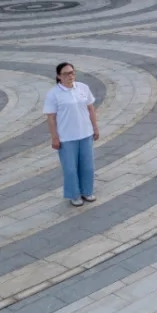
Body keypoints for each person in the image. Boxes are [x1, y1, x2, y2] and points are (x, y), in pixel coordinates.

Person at [44, 62, 99, 206]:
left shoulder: (83, 88)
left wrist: (95, 127)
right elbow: (51, 117)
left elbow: (91, 109)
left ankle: (87, 191)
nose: (70, 76)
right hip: (67, 137)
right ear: (59, 76)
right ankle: (74, 194)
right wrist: (55, 137)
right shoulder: (53, 94)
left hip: (85, 133)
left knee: (87, 166)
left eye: (72, 73)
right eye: (66, 74)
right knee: (70, 169)